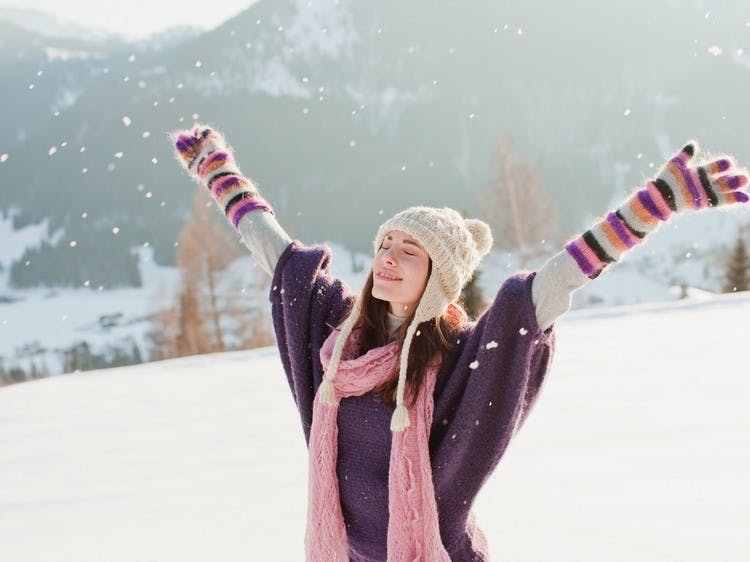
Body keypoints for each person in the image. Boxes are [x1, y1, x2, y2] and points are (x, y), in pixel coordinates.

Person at [172, 126, 748, 561]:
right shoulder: (338, 338)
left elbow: (545, 290)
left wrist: (652, 207)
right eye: (386, 243)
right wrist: (221, 175)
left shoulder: (459, 359)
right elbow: (280, 258)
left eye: (409, 252)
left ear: (437, 279)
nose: (389, 259)